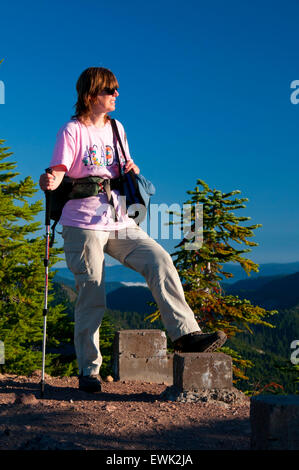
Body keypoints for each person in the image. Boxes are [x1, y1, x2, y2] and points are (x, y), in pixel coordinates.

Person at [39, 67, 227, 393]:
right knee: (92, 292)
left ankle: (185, 335)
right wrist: (50, 181)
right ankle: (89, 371)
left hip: (120, 219)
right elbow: (58, 171)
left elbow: (125, 166)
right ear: (91, 95)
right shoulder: (72, 131)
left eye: (115, 89)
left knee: (159, 260)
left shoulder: (117, 128)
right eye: (110, 90)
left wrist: (132, 168)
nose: (116, 94)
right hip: (82, 223)